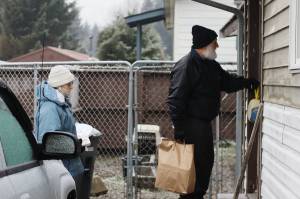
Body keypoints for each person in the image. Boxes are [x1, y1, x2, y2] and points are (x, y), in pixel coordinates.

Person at [167, 25, 259, 199]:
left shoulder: (210, 65)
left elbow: (228, 83)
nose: (217, 46)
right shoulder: (187, 65)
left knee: (204, 165)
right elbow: (175, 100)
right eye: (215, 43)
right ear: (205, 44)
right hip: (190, 125)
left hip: (202, 125)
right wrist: (180, 130)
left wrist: (247, 83)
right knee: (191, 169)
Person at [34, 65, 84, 196]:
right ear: (59, 85)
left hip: (70, 166)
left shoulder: (61, 104)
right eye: (69, 84)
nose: (72, 87)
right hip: (63, 169)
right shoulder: (50, 109)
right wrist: (70, 146)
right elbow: (49, 143)